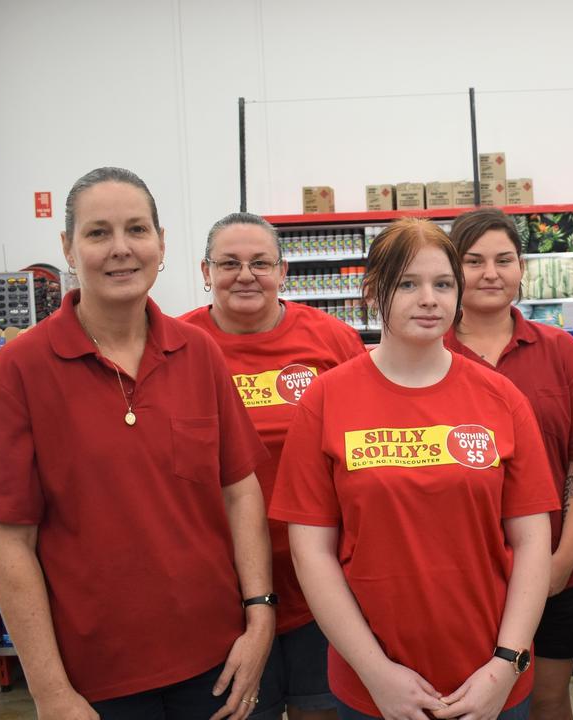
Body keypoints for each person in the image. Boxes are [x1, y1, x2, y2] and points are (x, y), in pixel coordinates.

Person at [0, 167, 276, 719]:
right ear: (68, 247)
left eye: (136, 230)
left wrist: (260, 615)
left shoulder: (198, 353)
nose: (121, 249)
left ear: (161, 244)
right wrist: (51, 693)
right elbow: (8, 540)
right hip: (94, 680)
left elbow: (240, 489)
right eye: (98, 232)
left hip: (215, 661)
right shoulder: (19, 370)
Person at [269, 218, 558, 720]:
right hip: (374, 686)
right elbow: (311, 552)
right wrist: (376, 673)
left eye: (443, 284)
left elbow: (532, 541)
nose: (429, 299)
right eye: (407, 283)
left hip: (491, 680)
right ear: (372, 290)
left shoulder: (500, 398)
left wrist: (506, 663)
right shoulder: (326, 399)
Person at [180, 212, 366, 720]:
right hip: (221, 590)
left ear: (283, 272)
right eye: (229, 263)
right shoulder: (176, 347)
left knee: (322, 709)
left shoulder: (332, 342)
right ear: (204, 271)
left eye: (260, 262)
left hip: (322, 583)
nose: (246, 275)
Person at [444, 208, 573, 720]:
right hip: (464, 573)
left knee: (550, 700)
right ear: (452, 269)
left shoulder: (559, 350)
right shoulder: (428, 351)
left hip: (558, 567)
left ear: (521, 269)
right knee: (471, 701)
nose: (491, 273)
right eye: (473, 261)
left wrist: (561, 560)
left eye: (504, 260)